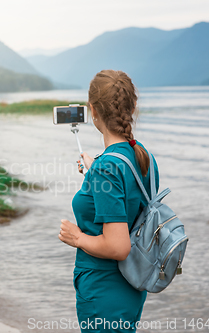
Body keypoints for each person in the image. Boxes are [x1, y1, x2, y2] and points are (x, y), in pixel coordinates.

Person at [58, 70, 159, 332]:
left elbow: (117, 246)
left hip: (105, 288)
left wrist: (76, 237)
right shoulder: (142, 156)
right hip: (132, 285)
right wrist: (96, 171)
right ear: (132, 106)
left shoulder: (107, 167)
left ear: (93, 110)